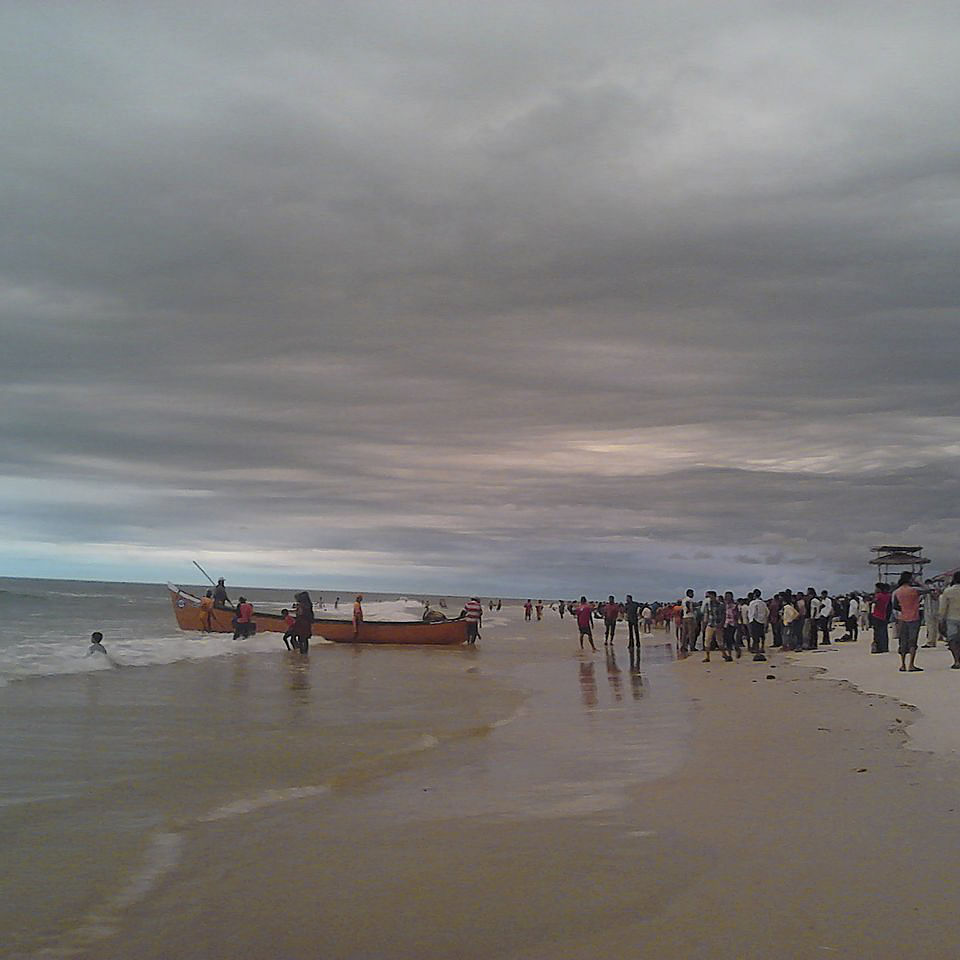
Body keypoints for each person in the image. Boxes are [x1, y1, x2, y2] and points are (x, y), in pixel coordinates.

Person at [893, 572, 931, 672]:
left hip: (902, 618)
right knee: (912, 642)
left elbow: (895, 606)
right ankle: (911, 664)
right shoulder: (915, 590)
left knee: (903, 642)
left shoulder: (896, 592)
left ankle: (902, 664)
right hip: (914, 617)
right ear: (910, 579)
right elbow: (928, 589)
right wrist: (919, 582)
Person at [938, 571, 960, 669]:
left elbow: (943, 608)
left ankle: (956, 660)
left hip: (952, 618)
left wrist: (941, 620)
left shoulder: (948, 591)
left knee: (952, 640)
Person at [701, 590, 724, 662]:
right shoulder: (708, 605)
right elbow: (706, 615)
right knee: (707, 640)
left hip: (718, 625)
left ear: (714, 596)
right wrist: (704, 625)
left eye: (710, 596)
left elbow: (723, 615)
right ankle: (707, 657)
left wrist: (722, 623)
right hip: (710, 624)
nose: (709, 598)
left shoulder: (720, 605)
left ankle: (724, 654)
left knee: (720, 641)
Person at [870, 582, 892, 653]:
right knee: (884, 632)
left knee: (877, 633)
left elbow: (874, 602)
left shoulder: (878, 595)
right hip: (884, 616)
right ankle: (885, 647)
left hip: (877, 615)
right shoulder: (888, 596)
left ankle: (878, 648)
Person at [747, 589, 769, 654]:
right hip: (762, 621)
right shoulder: (763, 603)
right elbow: (767, 612)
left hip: (754, 621)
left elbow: (752, 612)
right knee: (762, 635)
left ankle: (756, 649)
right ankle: (762, 647)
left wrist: (751, 620)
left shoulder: (753, 603)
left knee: (755, 636)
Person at [922, 581, 941, 648]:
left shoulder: (927, 589)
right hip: (936, 610)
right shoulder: (936, 588)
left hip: (929, 611)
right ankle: (933, 641)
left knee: (930, 627)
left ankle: (930, 642)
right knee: (935, 627)